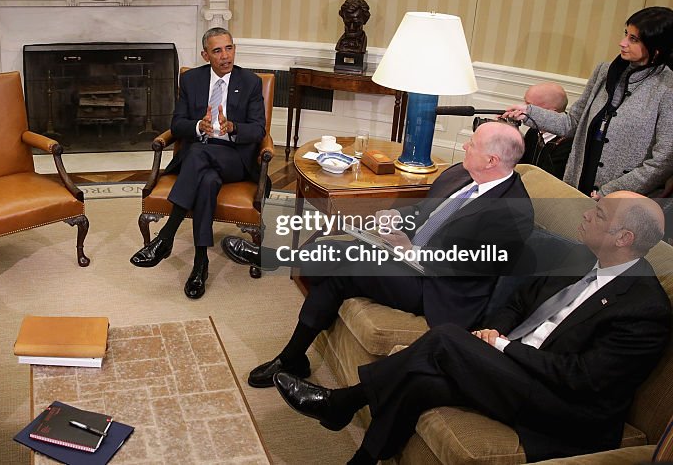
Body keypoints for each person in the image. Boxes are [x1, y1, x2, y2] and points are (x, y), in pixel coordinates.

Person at [271, 191, 670, 465]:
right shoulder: (582, 258)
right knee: (422, 381)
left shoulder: (644, 308)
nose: (587, 212)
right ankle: (364, 459)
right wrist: (494, 333)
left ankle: (344, 403)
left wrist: (502, 348)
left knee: (445, 338)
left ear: (625, 238)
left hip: (563, 405)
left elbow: (582, 379)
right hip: (515, 365)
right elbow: (518, 301)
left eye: (599, 214)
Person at [222, 121, 533, 387]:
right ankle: (292, 357)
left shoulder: (513, 212)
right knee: (328, 250)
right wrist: (398, 217)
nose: (465, 145)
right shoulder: (461, 174)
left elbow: (472, 266)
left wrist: (413, 253)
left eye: (473, 144)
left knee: (345, 266)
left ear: (492, 160)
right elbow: (425, 210)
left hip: (439, 286)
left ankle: (272, 263)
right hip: (408, 256)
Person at [130, 27, 267, 299]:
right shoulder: (191, 80)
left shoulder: (249, 81)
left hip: (234, 157)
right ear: (206, 55)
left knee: (197, 155)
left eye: (229, 48)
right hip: (202, 156)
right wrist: (198, 126)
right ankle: (200, 264)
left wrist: (232, 127)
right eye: (217, 51)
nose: (225, 56)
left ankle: (166, 236)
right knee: (206, 181)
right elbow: (176, 124)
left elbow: (259, 129)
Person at [503, 6, 673, 197]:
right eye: (626, 34)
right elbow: (573, 123)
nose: (622, 43)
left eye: (633, 39)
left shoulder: (668, 88)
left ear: (656, 49)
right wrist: (529, 112)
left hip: (624, 201)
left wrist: (612, 191)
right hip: (577, 188)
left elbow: (663, 161)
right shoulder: (604, 71)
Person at [516, 82, 573, 179]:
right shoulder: (533, 132)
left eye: (529, 105)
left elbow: (547, 178)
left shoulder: (569, 145)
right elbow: (521, 164)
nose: (523, 108)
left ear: (550, 113)